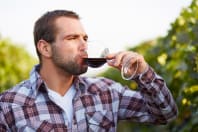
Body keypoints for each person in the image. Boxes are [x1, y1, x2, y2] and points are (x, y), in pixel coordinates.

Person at [0, 10, 178, 132]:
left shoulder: (106, 91)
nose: (84, 45)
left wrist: (143, 73)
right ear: (45, 48)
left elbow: (165, 113)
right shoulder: (9, 104)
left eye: (85, 38)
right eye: (72, 38)